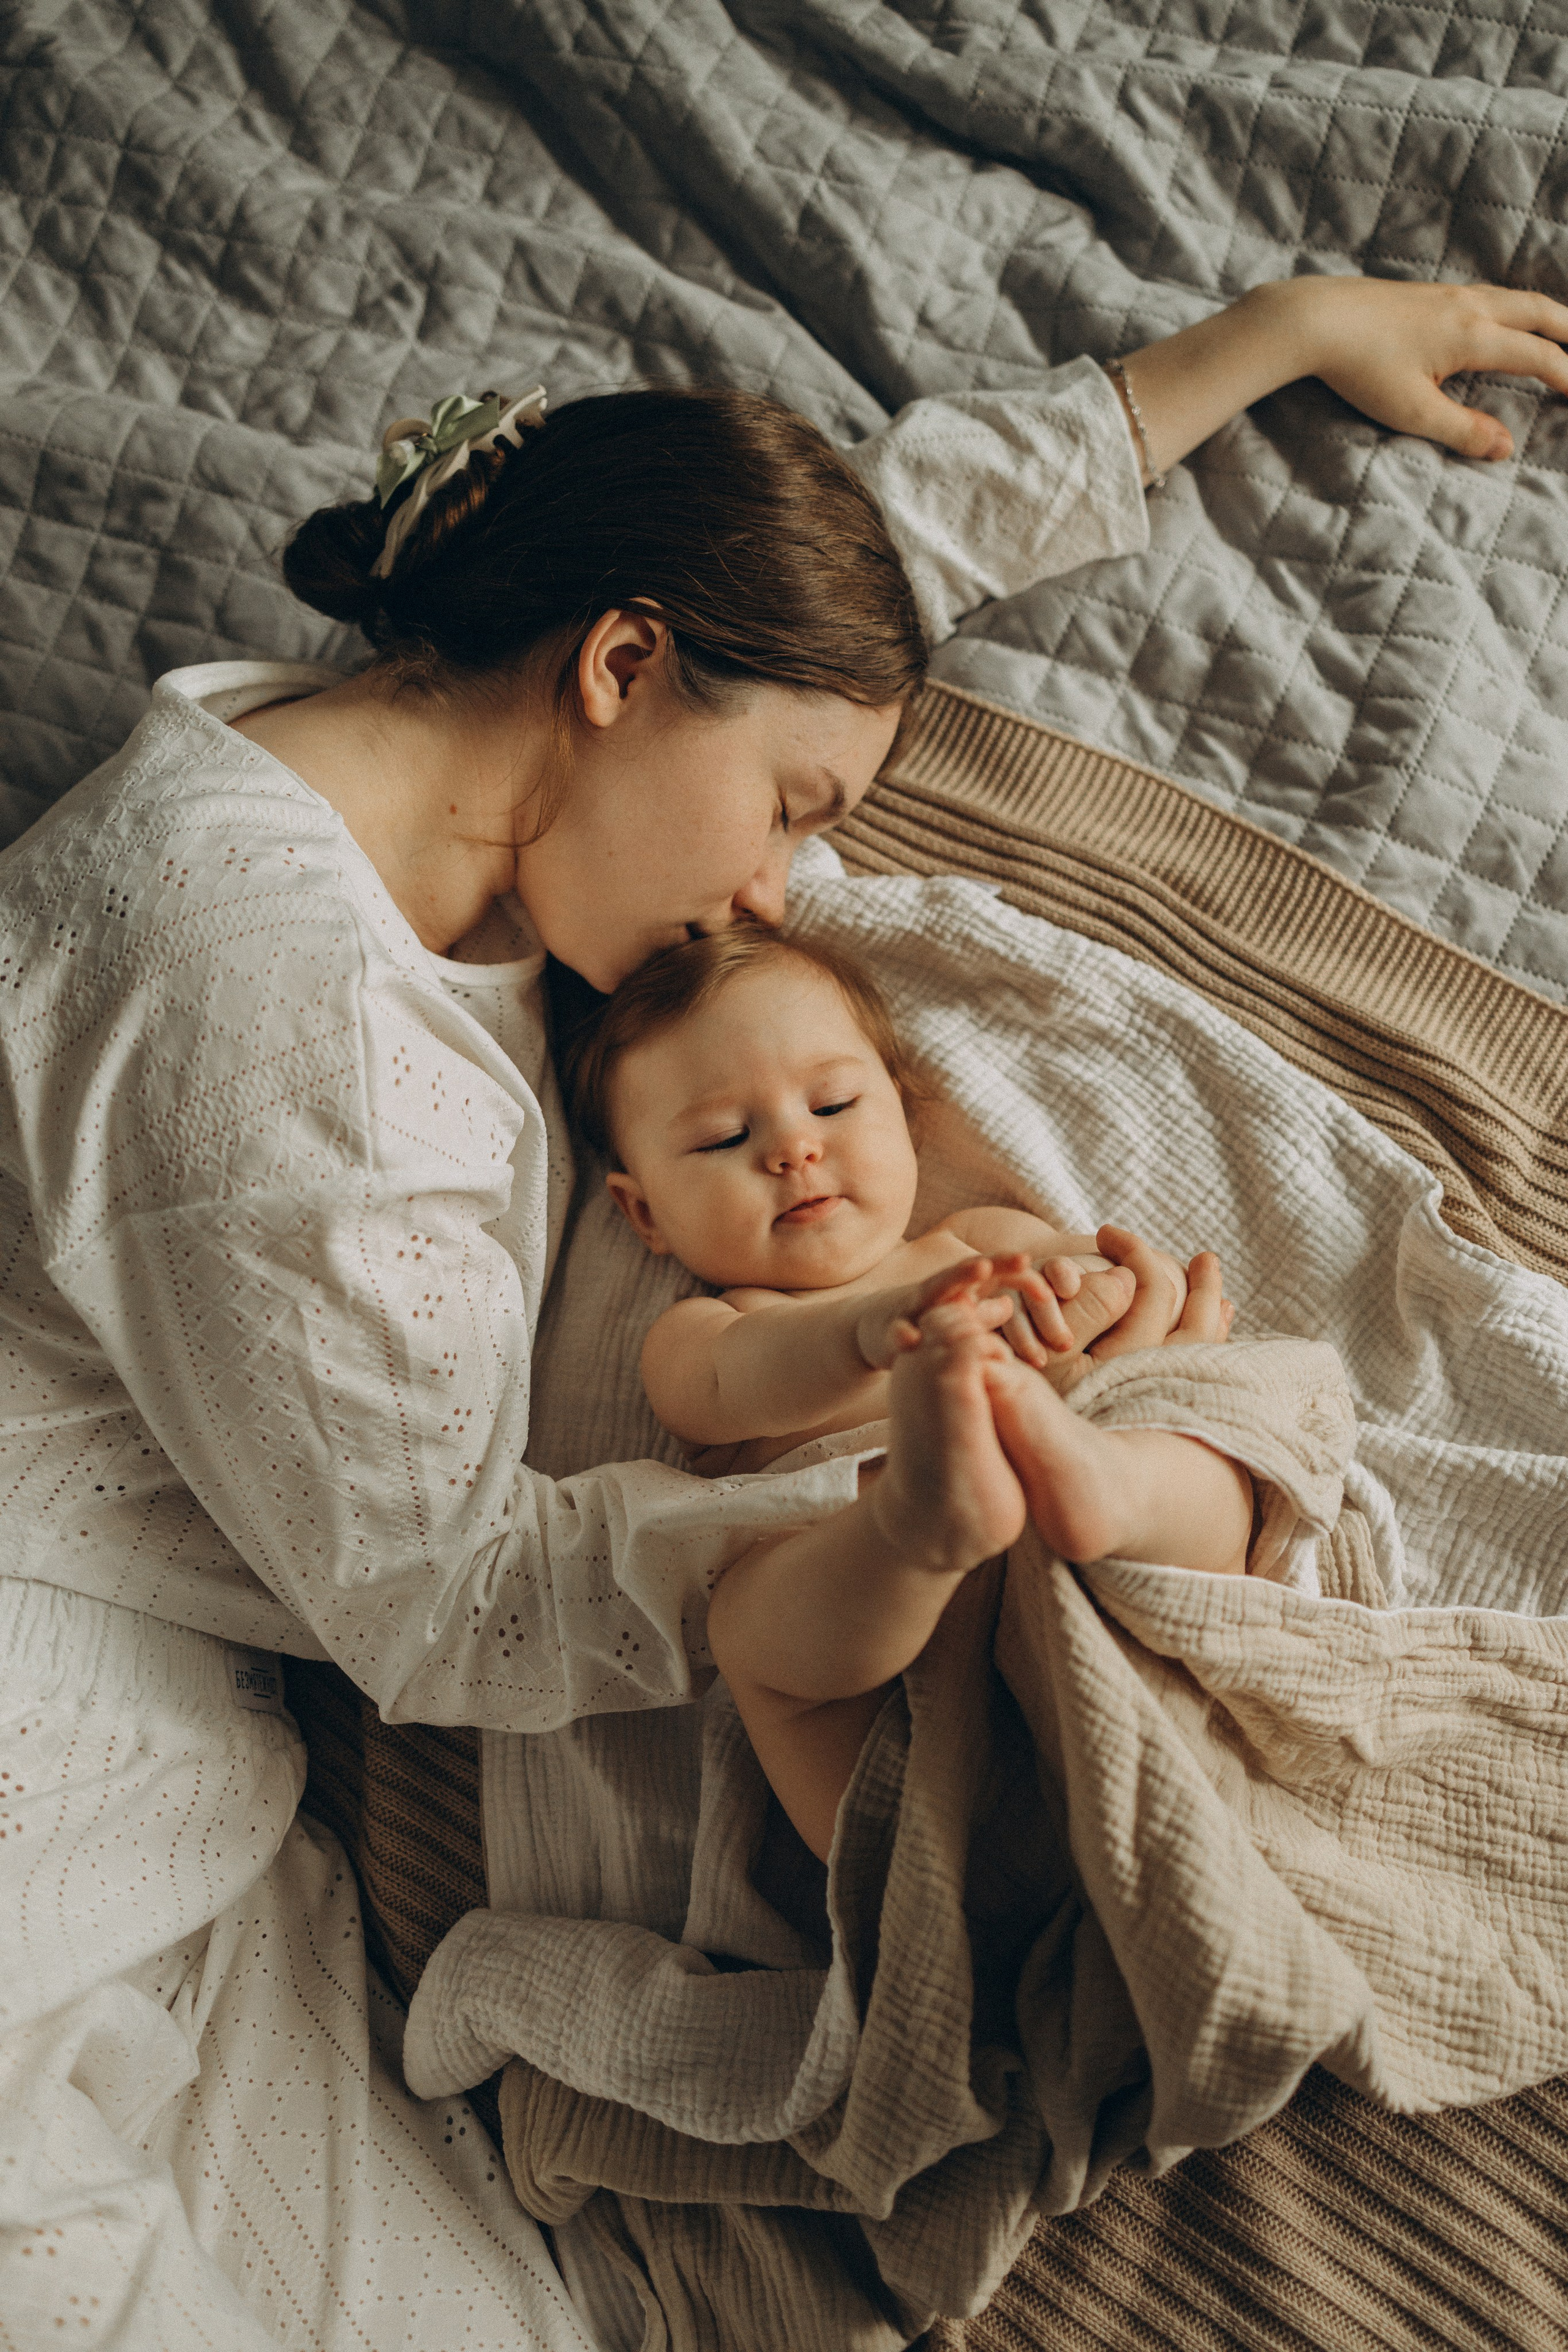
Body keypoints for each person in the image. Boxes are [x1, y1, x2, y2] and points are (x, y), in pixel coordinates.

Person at [2, 276, 1562, 2352]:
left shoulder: (420, 747)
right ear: (620, 669)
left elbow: (835, 593)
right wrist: (932, 1471)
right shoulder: (272, 1021)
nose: (775, 890)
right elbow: (452, 1606)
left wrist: (1265, 344)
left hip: (195, 1706)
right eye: (800, 810)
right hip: (61, 1692)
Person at [565, 924, 1254, 1859]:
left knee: (1219, 1446)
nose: (794, 1148)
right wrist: (864, 1333)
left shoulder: (982, 1244)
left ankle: (1114, 1484)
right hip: (895, 1679)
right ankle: (920, 1523)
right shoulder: (707, 1331)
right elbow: (741, 1377)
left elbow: (1103, 1283)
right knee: (748, 1628)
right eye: (725, 1137)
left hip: (1093, 1577)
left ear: (904, 1107)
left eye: (834, 1103)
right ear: (645, 1211)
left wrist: (1141, 1311)